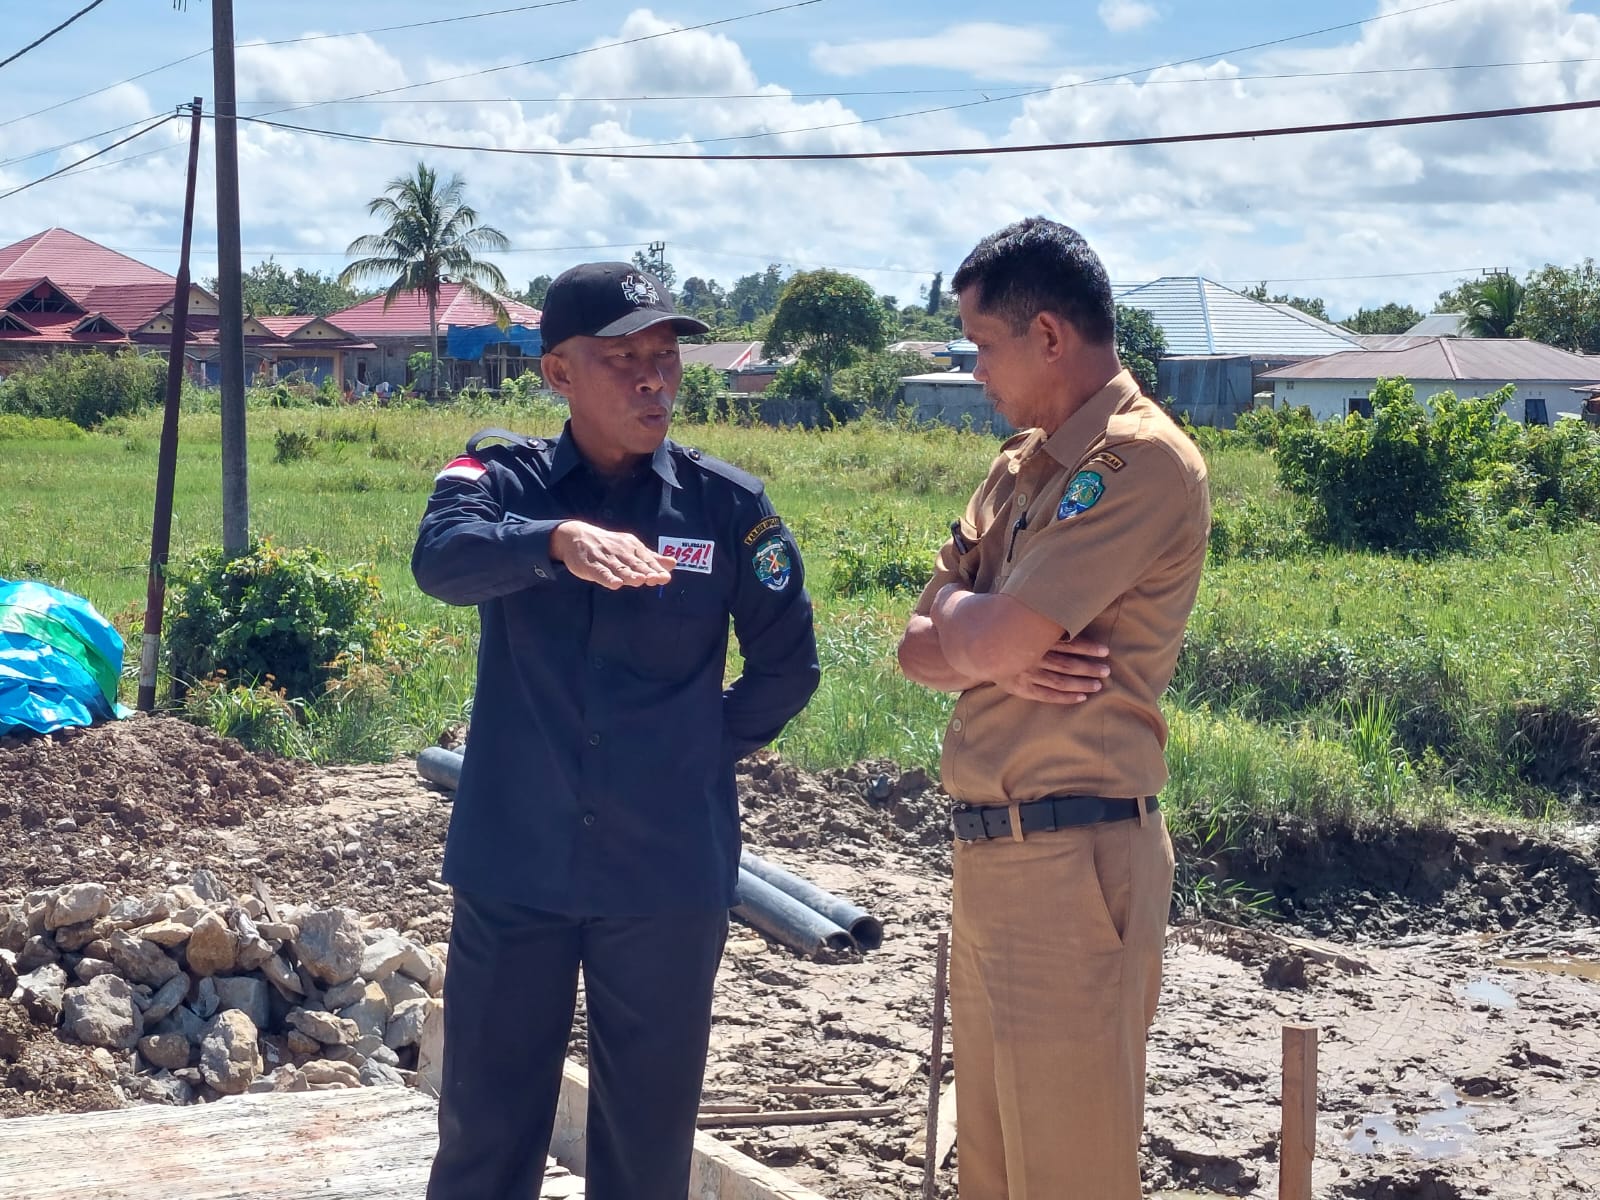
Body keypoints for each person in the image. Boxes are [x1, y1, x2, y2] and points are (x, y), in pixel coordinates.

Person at [412, 262, 820, 1200]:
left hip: (664, 875)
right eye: (623, 358)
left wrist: (695, 754)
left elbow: (787, 668)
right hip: (517, 864)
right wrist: (552, 542)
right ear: (558, 373)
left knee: (646, 1148)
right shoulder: (500, 474)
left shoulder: (726, 508)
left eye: (665, 357)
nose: (654, 379)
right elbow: (441, 560)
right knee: (485, 1135)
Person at [897, 217, 1211, 1200]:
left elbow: (987, 646)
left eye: (983, 346)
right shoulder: (1019, 466)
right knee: (991, 1165)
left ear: (1045, 336)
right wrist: (964, 618)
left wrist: (973, 632)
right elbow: (917, 648)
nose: (976, 370)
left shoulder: (1138, 462)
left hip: (1075, 858)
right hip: (994, 852)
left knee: (1067, 1172)